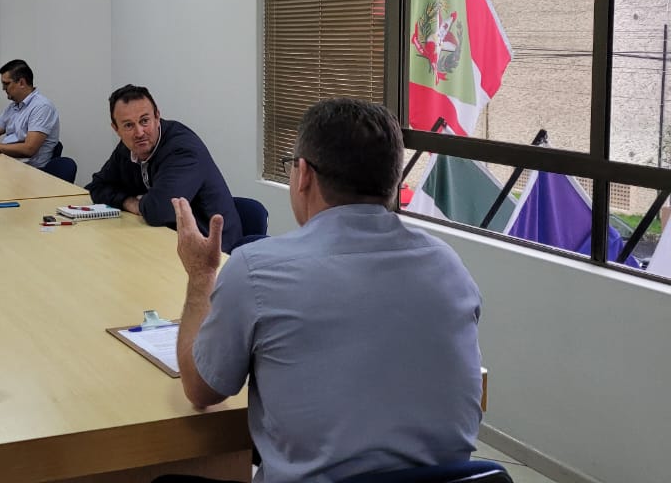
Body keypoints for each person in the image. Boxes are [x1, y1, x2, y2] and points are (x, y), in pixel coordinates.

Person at [169, 99, 483, 483]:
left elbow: (201, 390)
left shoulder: (256, 270)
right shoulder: (448, 266)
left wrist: (201, 275)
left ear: (303, 174)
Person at [85, 85, 241, 249]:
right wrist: (129, 202)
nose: (139, 132)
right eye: (128, 125)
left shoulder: (183, 150)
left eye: (145, 121)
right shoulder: (129, 147)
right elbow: (97, 186)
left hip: (212, 251)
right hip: (164, 238)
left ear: (157, 117)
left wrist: (142, 204)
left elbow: (159, 210)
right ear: (116, 129)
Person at [0, 59, 61, 169]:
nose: (3, 89)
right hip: (9, 164)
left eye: (6, 84)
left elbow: (29, 149)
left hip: (30, 171)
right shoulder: (14, 106)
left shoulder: (42, 107)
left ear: (21, 83)